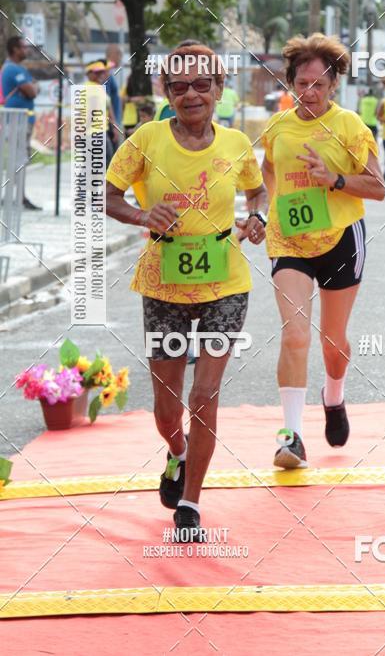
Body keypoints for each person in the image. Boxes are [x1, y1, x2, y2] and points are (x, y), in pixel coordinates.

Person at [106, 44, 268, 536]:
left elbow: (257, 188)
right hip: (163, 282)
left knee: (205, 393)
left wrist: (257, 215)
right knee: (166, 405)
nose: (192, 94)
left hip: (225, 280)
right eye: (180, 86)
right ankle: (176, 452)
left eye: (203, 84)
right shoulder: (146, 140)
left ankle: (191, 504)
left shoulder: (237, 143)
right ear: (167, 92)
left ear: (219, 89)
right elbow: (108, 195)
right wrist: (141, 215)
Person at [261, 33, 384, 469]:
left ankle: (334, 396)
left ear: (333, 85)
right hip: (288, 242)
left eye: (318, 84)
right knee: (295, 335)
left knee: (332, 342)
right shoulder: (277, 127)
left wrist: (332, 178)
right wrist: (266, 213)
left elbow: (377, 187)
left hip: (340, 239)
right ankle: (290, 437)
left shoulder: (350, 126)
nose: (309, 92)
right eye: (301, 83)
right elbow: (267, 174)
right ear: (290, 82)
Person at [1, 36, 41, 210]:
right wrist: (33, 87)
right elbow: (31, 91)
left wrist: (33, 87)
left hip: (23, 122)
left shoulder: (20, 68)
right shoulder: (12, 69)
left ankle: (17, 196)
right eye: (23, 47)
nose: (26, 50)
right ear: (15, 49)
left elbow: (33, 88)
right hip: (16, 122)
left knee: (20, 159)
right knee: (18, 159)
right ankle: (16, 198)